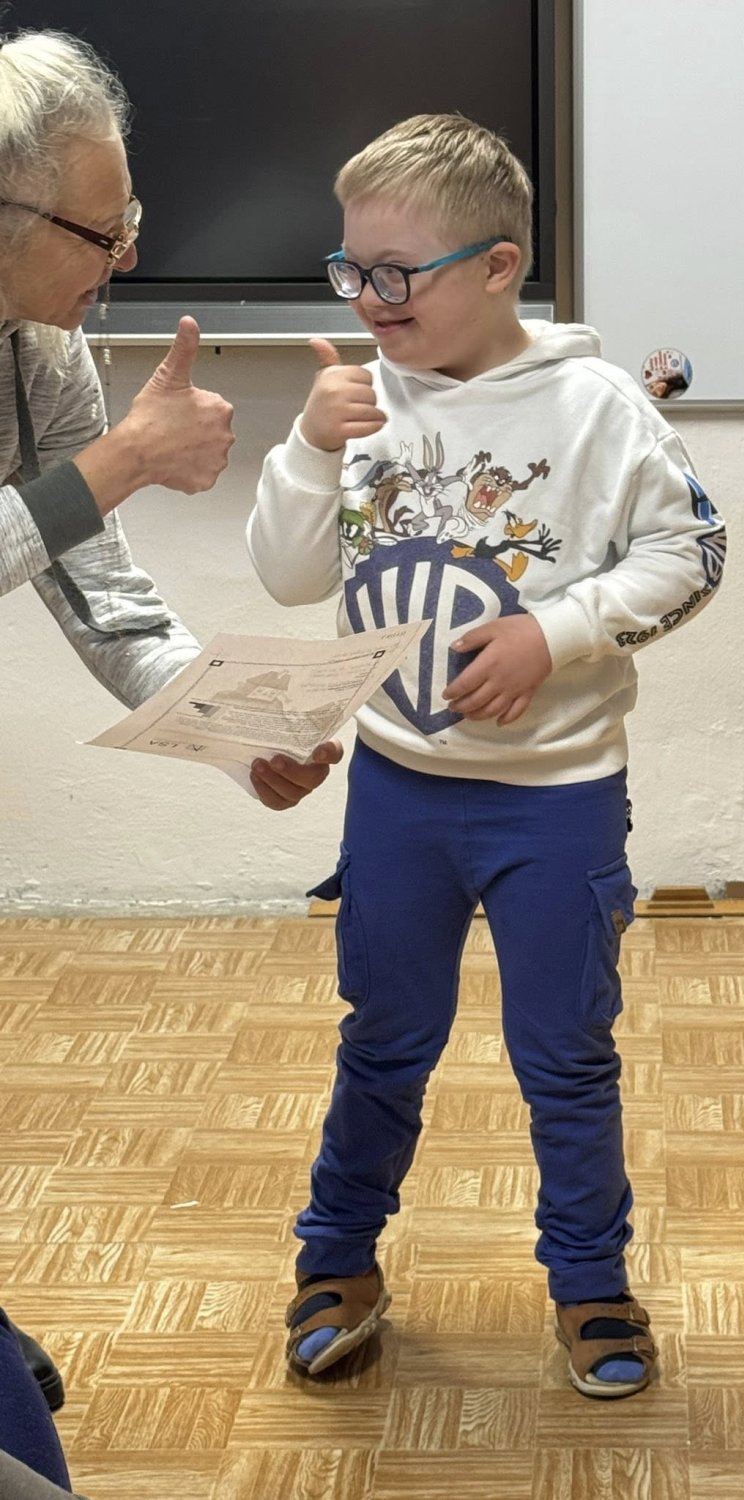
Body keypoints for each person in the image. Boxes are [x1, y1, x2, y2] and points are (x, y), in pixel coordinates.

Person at [247, 113, 726, 1400]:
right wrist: (308, 447)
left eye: (398, 272)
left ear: (501, 265)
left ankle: (591, 1282)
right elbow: (289, 577)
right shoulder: (361, 402)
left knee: (565, 1054)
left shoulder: (598, 406)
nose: (369, 298)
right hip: (398, 794)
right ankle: (335, 1261)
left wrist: (555, 634)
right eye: (351, 270)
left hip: (555, 802)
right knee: (383, 1038)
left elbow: (691, 554)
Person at [0, 28, 339, 1492]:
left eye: (127, 218)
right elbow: (81, 503)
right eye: (101, 230)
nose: (127, 255)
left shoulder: (47, 354)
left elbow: (104, 596)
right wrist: (119, 463)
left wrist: (232, 730)